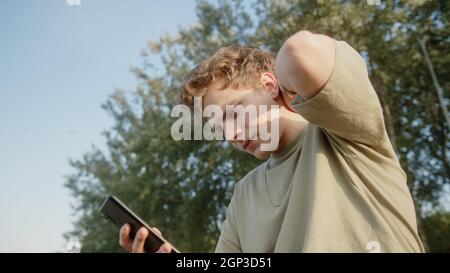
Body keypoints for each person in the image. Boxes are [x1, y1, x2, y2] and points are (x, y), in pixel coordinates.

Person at [119, 30, 424, 253]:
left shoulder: (341, 131)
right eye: (218, 126)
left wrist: (283, 90)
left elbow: (300, 52)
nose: (231, 135)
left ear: (269, 85)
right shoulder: (243, 196)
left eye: (233, 112)